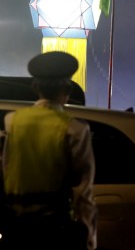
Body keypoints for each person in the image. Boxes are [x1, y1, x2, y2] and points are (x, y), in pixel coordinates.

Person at [0, 51, 97, 249]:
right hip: (55, 228)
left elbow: (5, 170)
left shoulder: (12, 121)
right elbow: (83, 192)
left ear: (35, 87)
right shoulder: (76, 130)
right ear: (68, 89)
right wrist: (90, 237)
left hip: (17, 228)